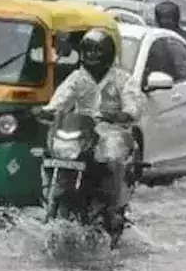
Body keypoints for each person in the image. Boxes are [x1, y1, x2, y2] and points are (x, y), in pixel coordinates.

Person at [34, 28, 144, 208]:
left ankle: (114, 205)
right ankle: (52, 196)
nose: (92, 55)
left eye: (97, 51)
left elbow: (134, 109)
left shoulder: (123, 79)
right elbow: (60, 101)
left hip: (112, 133)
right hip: (81, 133)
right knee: (51, 151)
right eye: (88, 51)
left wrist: (117, 115)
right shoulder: (77, 78)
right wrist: (45, 111)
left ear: (108, 53)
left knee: (114, 158)